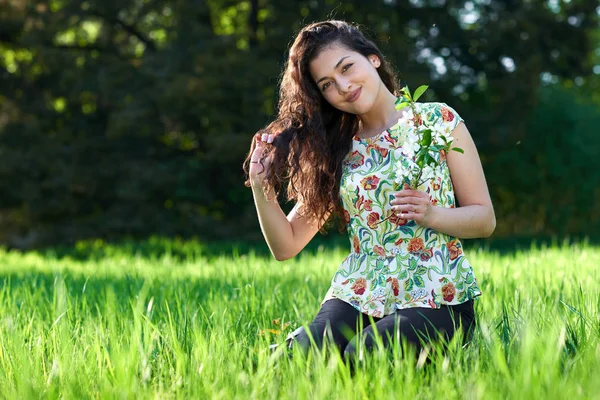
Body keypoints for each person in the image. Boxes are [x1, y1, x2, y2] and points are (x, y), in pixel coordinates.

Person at [243, 20, 495, 366]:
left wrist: (434, 214)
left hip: (437, 295)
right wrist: (261, 186)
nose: (344, 86)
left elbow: (484, 219)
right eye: (327, 84)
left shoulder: (438, 122)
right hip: (360, 294)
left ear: (372, 59)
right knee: (296, 358)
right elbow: (286, 246)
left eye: (347, 67)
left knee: (366, 356)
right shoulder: (337, 150)